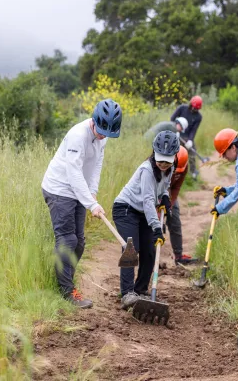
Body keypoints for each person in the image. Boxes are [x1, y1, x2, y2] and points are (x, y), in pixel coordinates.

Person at [42, 99, 122, 309]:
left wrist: (92, 193)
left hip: (79, 191)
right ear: (94, 120)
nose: (103, 136)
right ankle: (66, 291)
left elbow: (96, 165)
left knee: (79, 242)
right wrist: (91, 204)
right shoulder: (78, 136)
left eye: (108, 133)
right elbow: (73, 173)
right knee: (67, 240)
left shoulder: (102, 137)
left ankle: (66, 281)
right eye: (101, 130)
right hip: (59, 190)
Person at [113, 130, 180, 309]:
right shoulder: (147, 170)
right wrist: (157, 228)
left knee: (150, 251)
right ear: (154, 153)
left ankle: (140, 291)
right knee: (131, 247)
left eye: (167, 160)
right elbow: (149, 201)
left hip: (143, 212)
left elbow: (163, 188)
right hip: (126, 208)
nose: (163, 164)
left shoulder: (170, 167)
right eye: (160, 159)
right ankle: (127, 293)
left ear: (174, 156)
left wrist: (165, 197)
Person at [166, 146, 198, 265]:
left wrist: (171, 203)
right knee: (152, 224)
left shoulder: (183, 167)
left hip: (170, 193)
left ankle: (178, 256)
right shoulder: (164, 164)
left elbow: (177, 186)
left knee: (174, 220)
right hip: (155, 192)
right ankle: (149, 256)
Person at [170, 96, 203, 179]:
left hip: (187, 136)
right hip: (176, 132)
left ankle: (193, 172)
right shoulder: (182, 108)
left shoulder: (198, 117)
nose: (193, 109)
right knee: (175, 153)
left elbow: (194, 130)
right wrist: (175, 130)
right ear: (190, 104)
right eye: (193, 107)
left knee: (192, 152)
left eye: (196, 109)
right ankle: (172, 171)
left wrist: (190, 141)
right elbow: (172, 118)